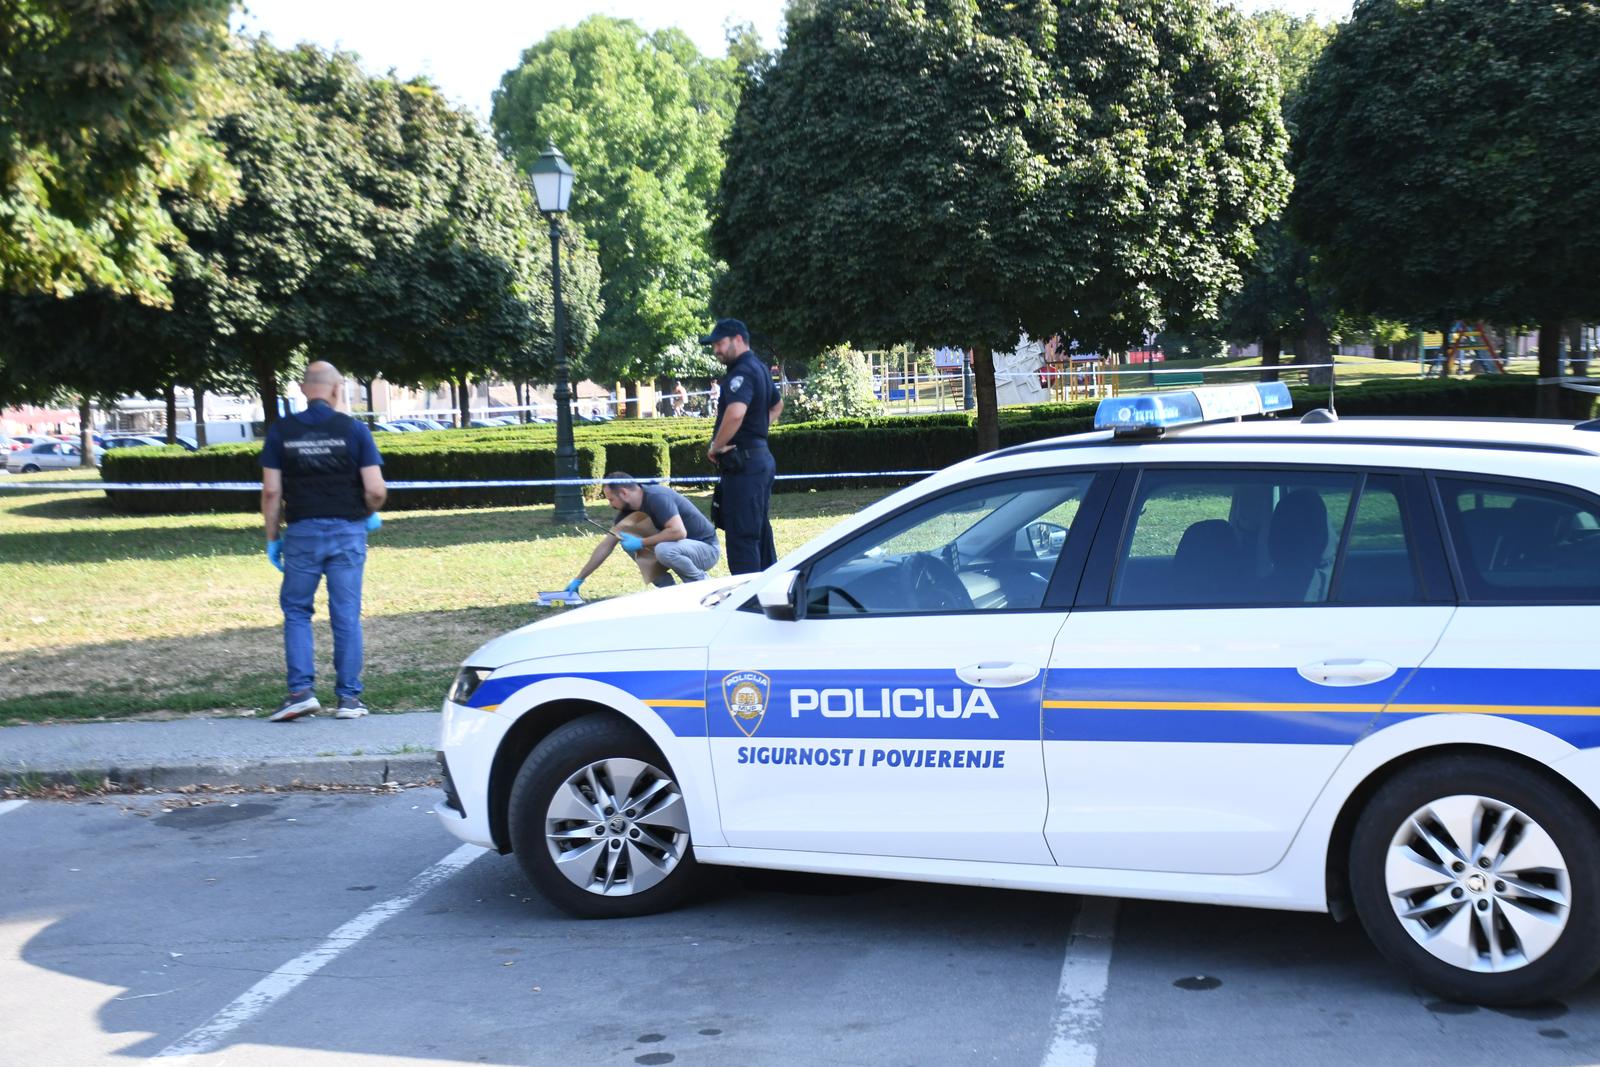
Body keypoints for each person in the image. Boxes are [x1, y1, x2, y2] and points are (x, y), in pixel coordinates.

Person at [260, 361, 386, 723]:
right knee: (346, 615)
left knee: (298, 611)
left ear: (303, 389)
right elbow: (375, 489)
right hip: (348, 531)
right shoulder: (355, 430)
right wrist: (367, 512)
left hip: (301, 534)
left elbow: (271, 492)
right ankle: (349, 699)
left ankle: (300, 692)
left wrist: (273, 538)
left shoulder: (280, 432)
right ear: (336, 389)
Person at [702, 318, 781, 574]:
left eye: (720, 343)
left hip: (744, 463)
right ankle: (768, 594)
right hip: (758, 458)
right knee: (759, 531)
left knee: (742, 536)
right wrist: (756, 430)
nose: (716, 350)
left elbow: (735, 413)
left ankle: (747, 602)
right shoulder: (759, 368)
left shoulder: (741, 372)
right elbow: (776, 405)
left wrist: (717, 446)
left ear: (738, 339)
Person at [565, 472, 721, 594]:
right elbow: (606, 546)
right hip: (679, 549)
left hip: (707, 550)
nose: (610, 504)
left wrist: (641, 543)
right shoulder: (626, 511)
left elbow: (678, 532)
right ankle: (669, 592)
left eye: (611, 499)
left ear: (624, 493)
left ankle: (702, 586)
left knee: (663, 549)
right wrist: (579, 579)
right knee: (628, 544)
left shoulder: (657, 497)